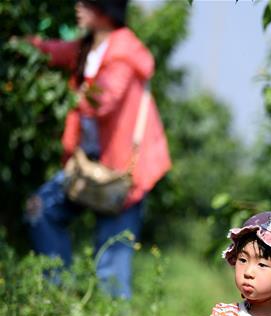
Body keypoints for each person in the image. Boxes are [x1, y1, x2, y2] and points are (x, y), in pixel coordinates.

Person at [23, 0, 170, 299]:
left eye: (86, 2)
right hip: (87, 163)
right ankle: (58, 297)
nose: (77, 6)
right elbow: (54, 50)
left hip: (124, 171)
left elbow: (103, 100)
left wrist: (62, 96)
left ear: (105, 8)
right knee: (41, 209)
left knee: (111, 267)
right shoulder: (88, 48)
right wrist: (23, 44)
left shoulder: (124, 51)